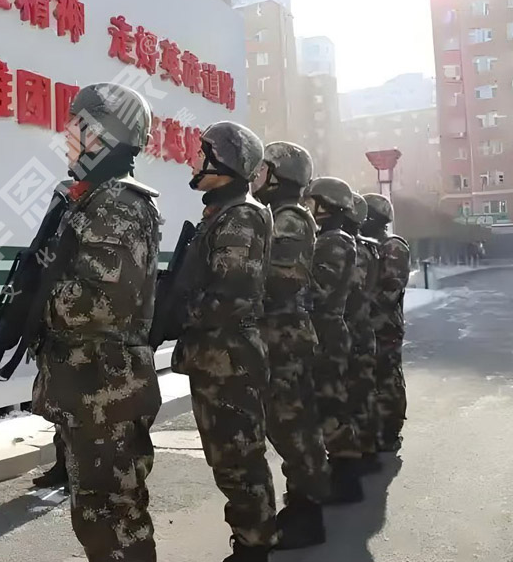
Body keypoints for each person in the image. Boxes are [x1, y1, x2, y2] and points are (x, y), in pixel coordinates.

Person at [31, 82, 162, 562]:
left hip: (106, 387)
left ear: (101, 135)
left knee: (114, 517)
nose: (66, 135)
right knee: (97, 515)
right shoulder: (92, 199)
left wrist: (37, 307)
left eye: (76, 125)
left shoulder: (116, 203)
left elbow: (104, 301)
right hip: (92, 384)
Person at [170, 121, 276, 562]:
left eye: (203, 153)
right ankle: (253, 538)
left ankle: (255, 546)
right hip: (216, 357)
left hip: (229, 359)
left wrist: (174, 314)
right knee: (228, 458)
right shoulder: (223, 212)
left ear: (226, 163)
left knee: (239, 458)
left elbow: (229, 296)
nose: (194, 160)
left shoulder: (241, 216)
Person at [253, 142, 329, 549]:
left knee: (292, 424)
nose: (256, 176)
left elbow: (280, 278)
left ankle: (308, 511)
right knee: (288, 423)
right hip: (278, 334)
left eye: (263, 169)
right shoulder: (276, 215)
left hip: (284, 335)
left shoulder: (290, 219)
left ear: (280, 176)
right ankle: (306, 502)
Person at [304, 176, 364, 504]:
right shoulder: (330, 240)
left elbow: (319, 291)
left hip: (326, 333)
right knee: (328, 405)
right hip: (326, 331)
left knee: (330, 407)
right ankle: (343, 475)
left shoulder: (333, 243)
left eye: (312, 201)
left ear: (326, 206)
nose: (307, 206)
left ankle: (347, 479)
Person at [361, 193, 410, 452]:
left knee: (387, 375)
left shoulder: (393, 246)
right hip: (366, 325)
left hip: (385, 324)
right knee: (368, 377)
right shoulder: (366, 245)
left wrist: (359, 303)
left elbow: (390, 291)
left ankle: (391, 428)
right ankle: (372, 427)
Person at [343, 193, 382, 473]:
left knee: (357, 391)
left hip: (355, 329)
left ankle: (361, 453)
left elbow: (349, 292)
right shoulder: (365, 247)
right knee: (362, 389)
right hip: (360, 327)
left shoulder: (355, 249)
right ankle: (367, 447)